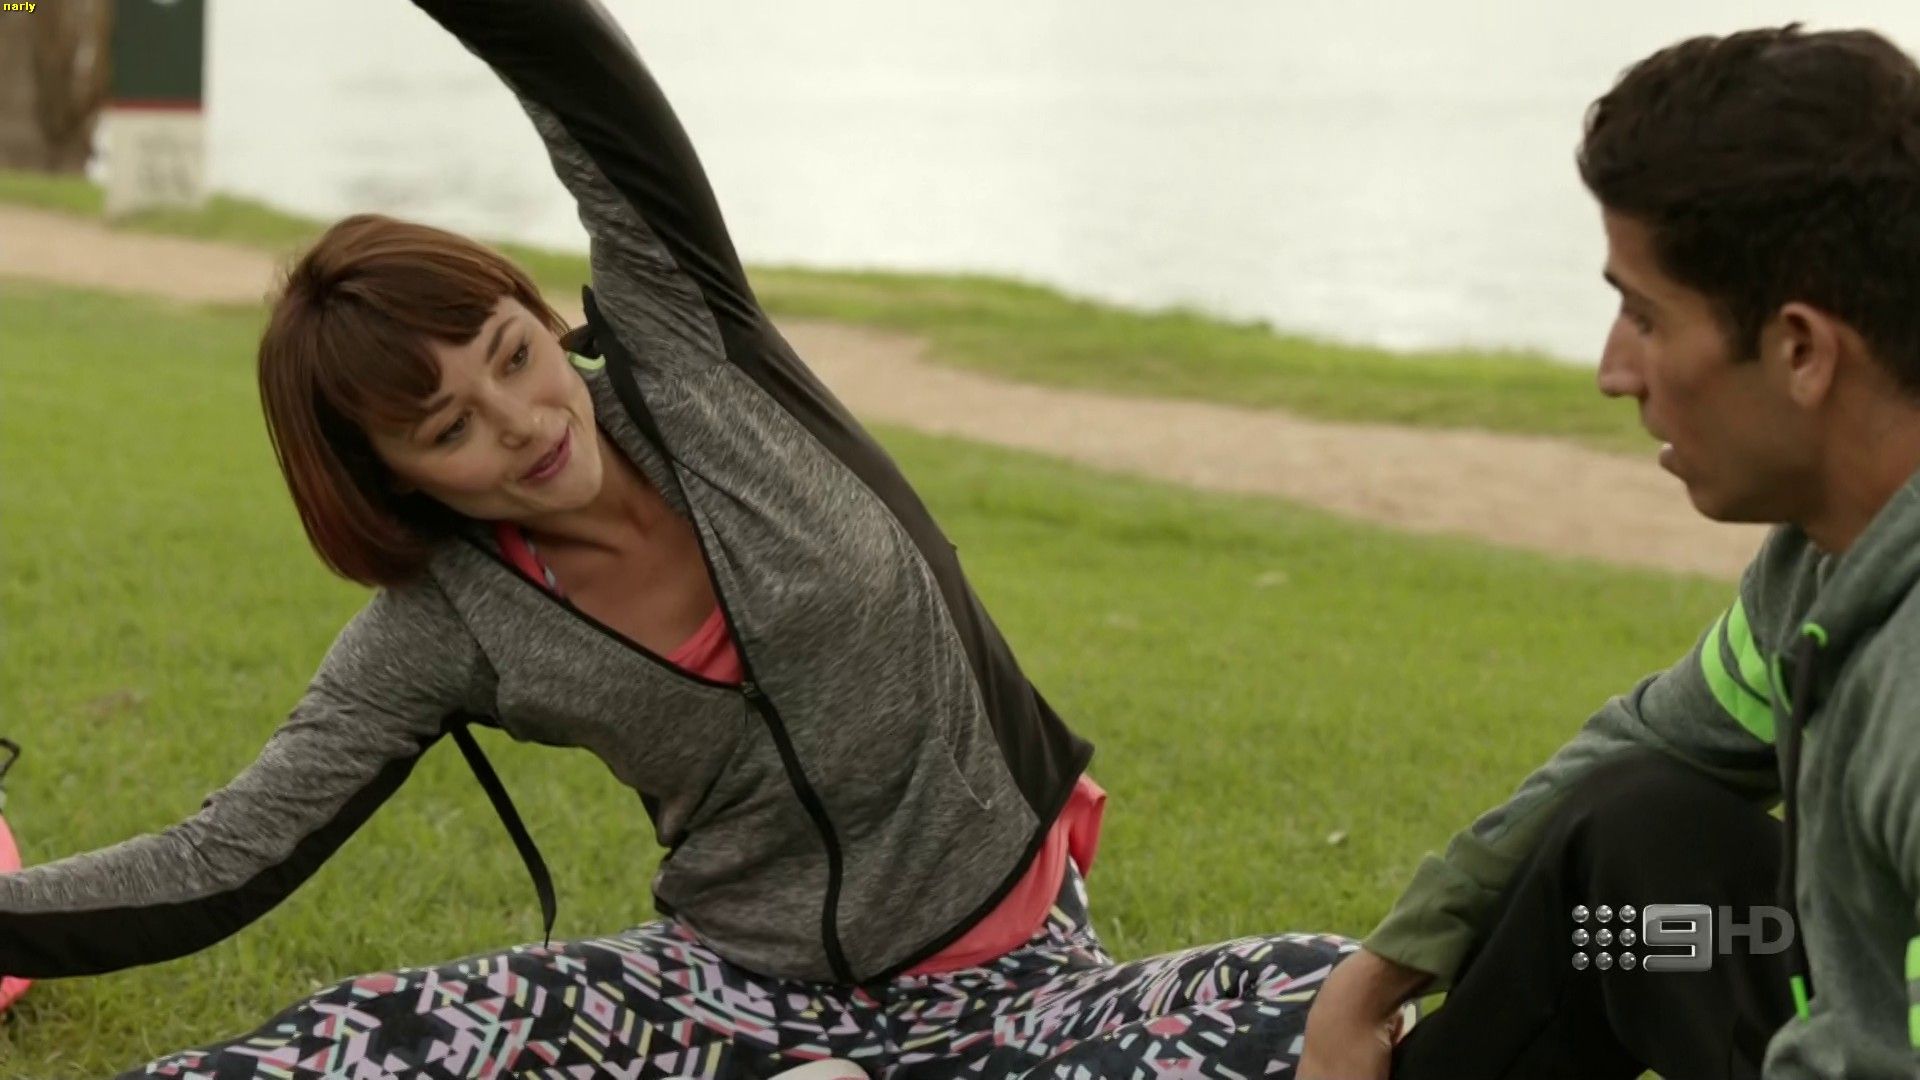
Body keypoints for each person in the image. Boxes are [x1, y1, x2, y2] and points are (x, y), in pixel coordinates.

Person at [0, 2, 1356, 1076]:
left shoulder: (693, 353)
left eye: (511, 354)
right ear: (390, 479)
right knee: (344, 1041)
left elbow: (570, 66)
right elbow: (225, 858)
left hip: (1019, 987)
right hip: (735, 992)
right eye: (448, 428)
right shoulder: (441, 622)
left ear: (541, 316)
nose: (522, 421)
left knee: (1327, 987)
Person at [1301, 23, 1920, 1080]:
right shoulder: (1820, 560)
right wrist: (1378, 971)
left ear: (1801, 350)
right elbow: (1654, 740)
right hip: (1838, 984)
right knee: (1630, 837)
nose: (1612, 371)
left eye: (1645, 315)